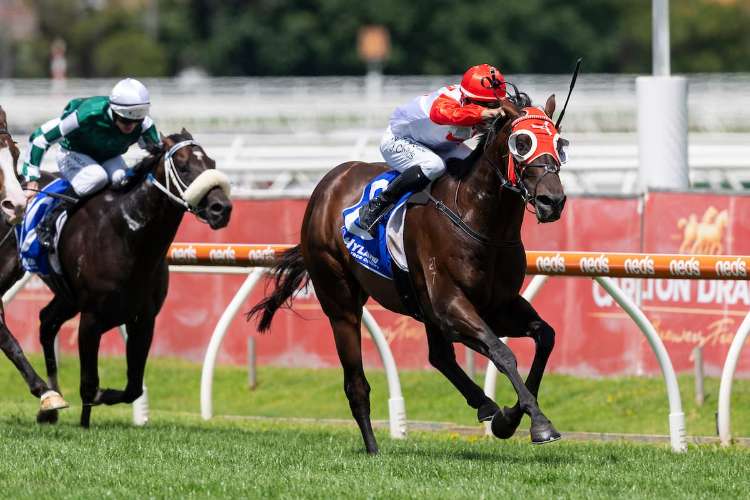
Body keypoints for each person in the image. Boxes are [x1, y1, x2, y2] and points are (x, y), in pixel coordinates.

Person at [358, 63, 508, 234]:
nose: (491, 109)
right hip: (399, 140)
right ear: (467, 97)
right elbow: (439, 113)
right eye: (485, 104)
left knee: (478, 166)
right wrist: (482, 113)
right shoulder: (448, 98)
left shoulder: (477, 99)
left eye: (494, 104)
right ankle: (377, 206)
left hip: (442, 145)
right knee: (434, 165)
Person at [21, 77, 161, 200]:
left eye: (137, 121)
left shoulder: (145, 124)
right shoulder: (88, 114)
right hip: (72, 154)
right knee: (97, 178)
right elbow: (40, 139)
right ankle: (56, 212)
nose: (131, 126)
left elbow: (160, 155)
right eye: (125, 120)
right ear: (114, 111)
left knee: (122, 179)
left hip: (109, 157)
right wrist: (31, 178)